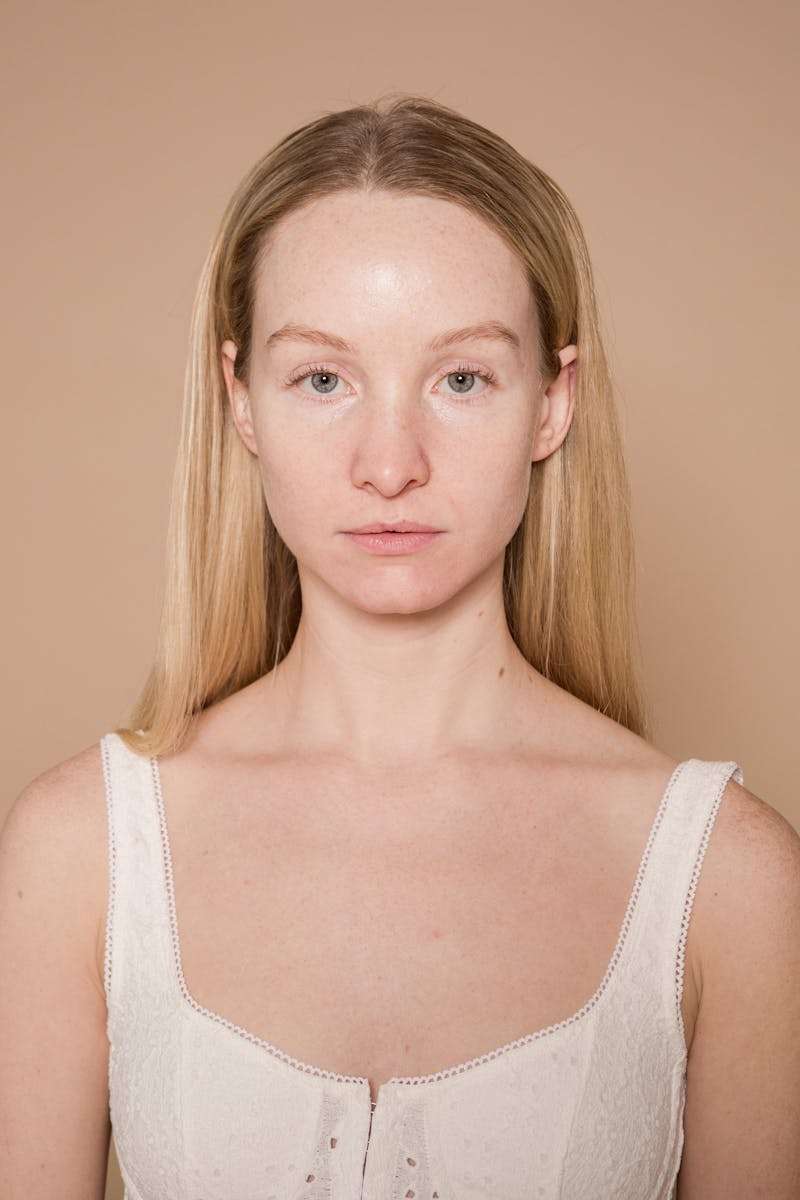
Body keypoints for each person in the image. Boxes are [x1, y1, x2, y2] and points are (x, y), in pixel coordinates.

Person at [2, 93, 799, 1200]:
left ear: (550, 406)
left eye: (460, 378)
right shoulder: (77, 848)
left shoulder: (731, 880)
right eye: (322, 379)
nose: (389, 463)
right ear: (241, 401)